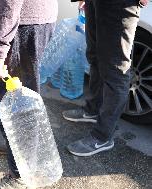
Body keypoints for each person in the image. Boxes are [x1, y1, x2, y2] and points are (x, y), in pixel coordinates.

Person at [0, 0, 58, 188]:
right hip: (19, 19)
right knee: (11, 97)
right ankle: (15, 147)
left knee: (18, 103)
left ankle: (21, 173)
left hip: (18, 22)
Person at [63, 0, 148, 157]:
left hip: (120, 5)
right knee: (94, 56)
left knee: (116, 69)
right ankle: (93, 110)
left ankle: (102, 137)